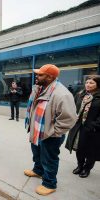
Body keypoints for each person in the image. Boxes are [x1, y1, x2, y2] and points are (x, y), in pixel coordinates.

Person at [24, 64, 77, 196]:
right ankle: (38, 170)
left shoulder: (62, 94)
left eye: (40, 74)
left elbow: (69, 119)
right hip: (37, 131)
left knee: (49, 159)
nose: (37, 76)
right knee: (37, 154)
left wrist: (53, 132)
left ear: (50, 77)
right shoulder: (40, 88)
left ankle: (49, 183)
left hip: (50, 134)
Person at [66, 75, 100, 178]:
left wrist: (93, 125)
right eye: (87, 83)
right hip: (78, 127)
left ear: (97, 85)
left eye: (91, 83)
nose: (88, 85)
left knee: (91, 151)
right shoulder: (80, 94)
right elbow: (73, 108)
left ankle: (87, 168)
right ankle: (80, 166)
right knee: (79, 148)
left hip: (93, 130)